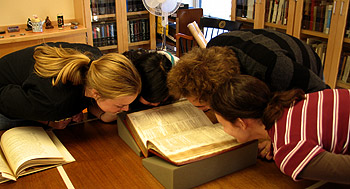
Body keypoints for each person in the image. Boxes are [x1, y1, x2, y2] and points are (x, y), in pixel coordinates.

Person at [167, 29, 329, 158]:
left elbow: (322, 96)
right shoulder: (213, 48)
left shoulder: (272, 67)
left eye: (203, 106)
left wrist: (275, 136)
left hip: (301, 66)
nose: (201, 111)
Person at [209, 75, 350, 184]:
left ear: (241, 123)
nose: (224, 130)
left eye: (223, 124)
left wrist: (288, 152)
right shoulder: (292, 101)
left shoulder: (290, 153)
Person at [0, 42, 141, 130]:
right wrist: (48, 120)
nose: (126, 109)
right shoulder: (53, 101)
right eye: (120, 106)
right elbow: (4, 100)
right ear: (96, 93)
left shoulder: (96, 62)